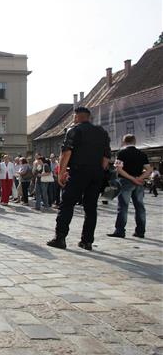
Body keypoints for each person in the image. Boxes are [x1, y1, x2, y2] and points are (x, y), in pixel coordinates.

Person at [47, 107, 111, 251]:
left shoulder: (74, 130)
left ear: (76, 117)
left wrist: (61, 173)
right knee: (91, 207)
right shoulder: (102, 132)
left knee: (67, 204)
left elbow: (66, 152)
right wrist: (98, 171)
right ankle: (87, 241)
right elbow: (106, 157)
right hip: (96, 173)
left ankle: (60, 238)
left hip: (79, 171)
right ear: (89, 117)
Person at [107, 134, 151, 239]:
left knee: (123, 206)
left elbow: (119, 169)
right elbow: (149, 170)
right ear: (135, 141)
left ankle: (120, 231)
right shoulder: (142, 154)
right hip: (138, 183)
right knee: (140, 207)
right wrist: (139, 178)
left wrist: (131, 178)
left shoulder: (121, 153)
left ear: (124, 141)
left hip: (125, 181)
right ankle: (140, 231)